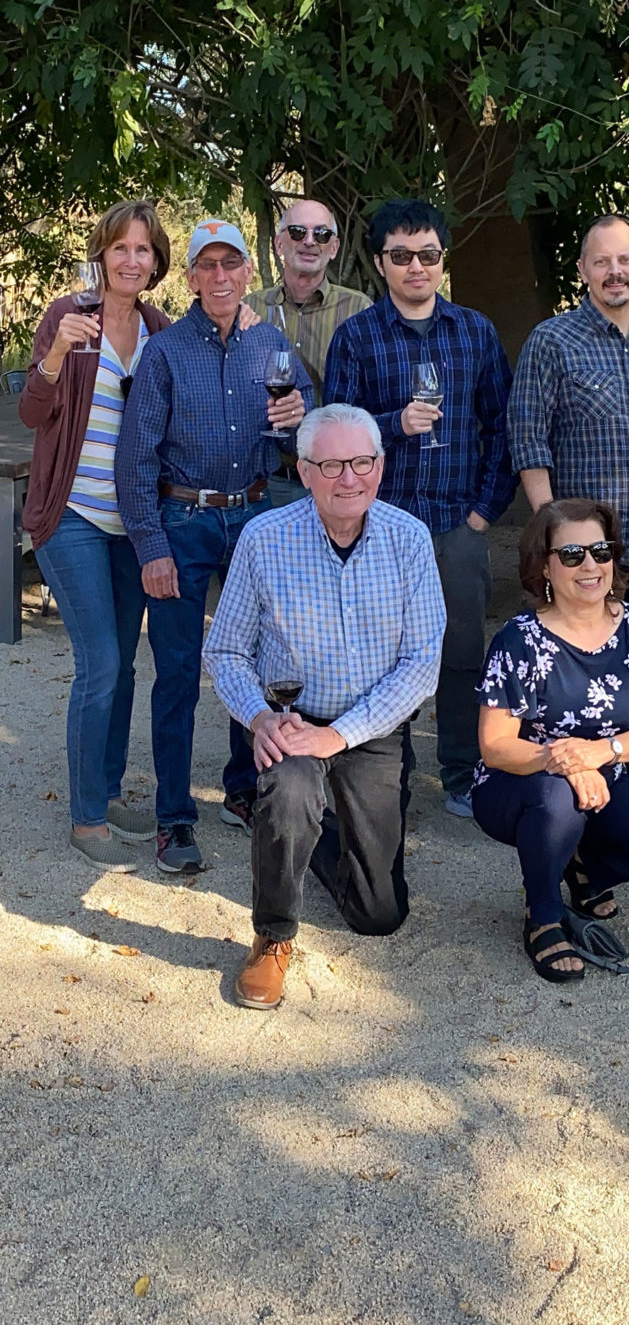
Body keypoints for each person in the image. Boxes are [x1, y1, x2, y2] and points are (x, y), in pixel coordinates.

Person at [209, 407, 444, 1008]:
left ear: (381, 467)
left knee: (379, 916)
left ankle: (319, 834)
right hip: (292, 720)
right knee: (288, 793)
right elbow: (227, 650)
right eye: (331, 464)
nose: (349, 478)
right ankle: (272, 936)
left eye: (361, 462)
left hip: (371, 726)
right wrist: (259, 718)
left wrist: (340, 736)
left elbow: (421, 664)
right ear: (305, 470)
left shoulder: (409, 540)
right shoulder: (264, 539)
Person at [117, 217, 312, 871]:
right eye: (209, 266)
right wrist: (150, 546)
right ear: (194, 276)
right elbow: (135, 459)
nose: (221, 276)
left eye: (232, 264)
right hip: (184, 521)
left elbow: (302, 438)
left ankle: (240, 790)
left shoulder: (270, 344)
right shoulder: (166, 352)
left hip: (253, 517)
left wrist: (297, 422)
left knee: (252, 666)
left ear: (248, 273)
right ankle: (174, 817)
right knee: (177, 673)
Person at [324, 199, 517, 820]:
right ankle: (386, 775)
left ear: (442, 260)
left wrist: (485, 512)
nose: (416, 267)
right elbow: (337, 432)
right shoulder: (356, 335)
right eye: (402, 256)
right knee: (378, 656)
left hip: (456, 523)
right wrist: (395, 424)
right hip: (381, 524)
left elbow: (503, 427)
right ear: (381, 262)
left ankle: (461, 772)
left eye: (428, 255)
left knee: (461, 653)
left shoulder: (476, 332)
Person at [472, 499, 629, 983]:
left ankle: (584, 869)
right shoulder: (519, 638)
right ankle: (544, 917)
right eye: (572, 554)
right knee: (557, 799)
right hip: (520, 781)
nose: (590, 565)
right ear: (546, 565)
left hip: (606, 774)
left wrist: (601, 753)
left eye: (600, 550)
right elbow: (495, 745)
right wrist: (567, 762)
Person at [23, 201, 173, 868]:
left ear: (156, 261)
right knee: (102, 661)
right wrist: (56, 351)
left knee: (122, 668)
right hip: (73, 516)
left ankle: (106, 791)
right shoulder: (68, 316)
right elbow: (34, 409)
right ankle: (85, 820)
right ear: (102, 254)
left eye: (144, 250)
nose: (132, 260)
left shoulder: (161, 330)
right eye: (121, 248)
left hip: (131, 527)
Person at [509, 214, 629, 642]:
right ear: (583, 270)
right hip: (585, 558)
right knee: (587, 683)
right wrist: (553, 535)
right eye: (602, 262)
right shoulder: (551, 342)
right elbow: (527, 441)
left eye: (625, 260)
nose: (615, 272)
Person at [246, 195, 369, 393]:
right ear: (278, 244)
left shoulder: (358, 310)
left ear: (334, 248)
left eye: (321, 234)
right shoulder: (251, 308)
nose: (310, 241)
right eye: (298, 232)